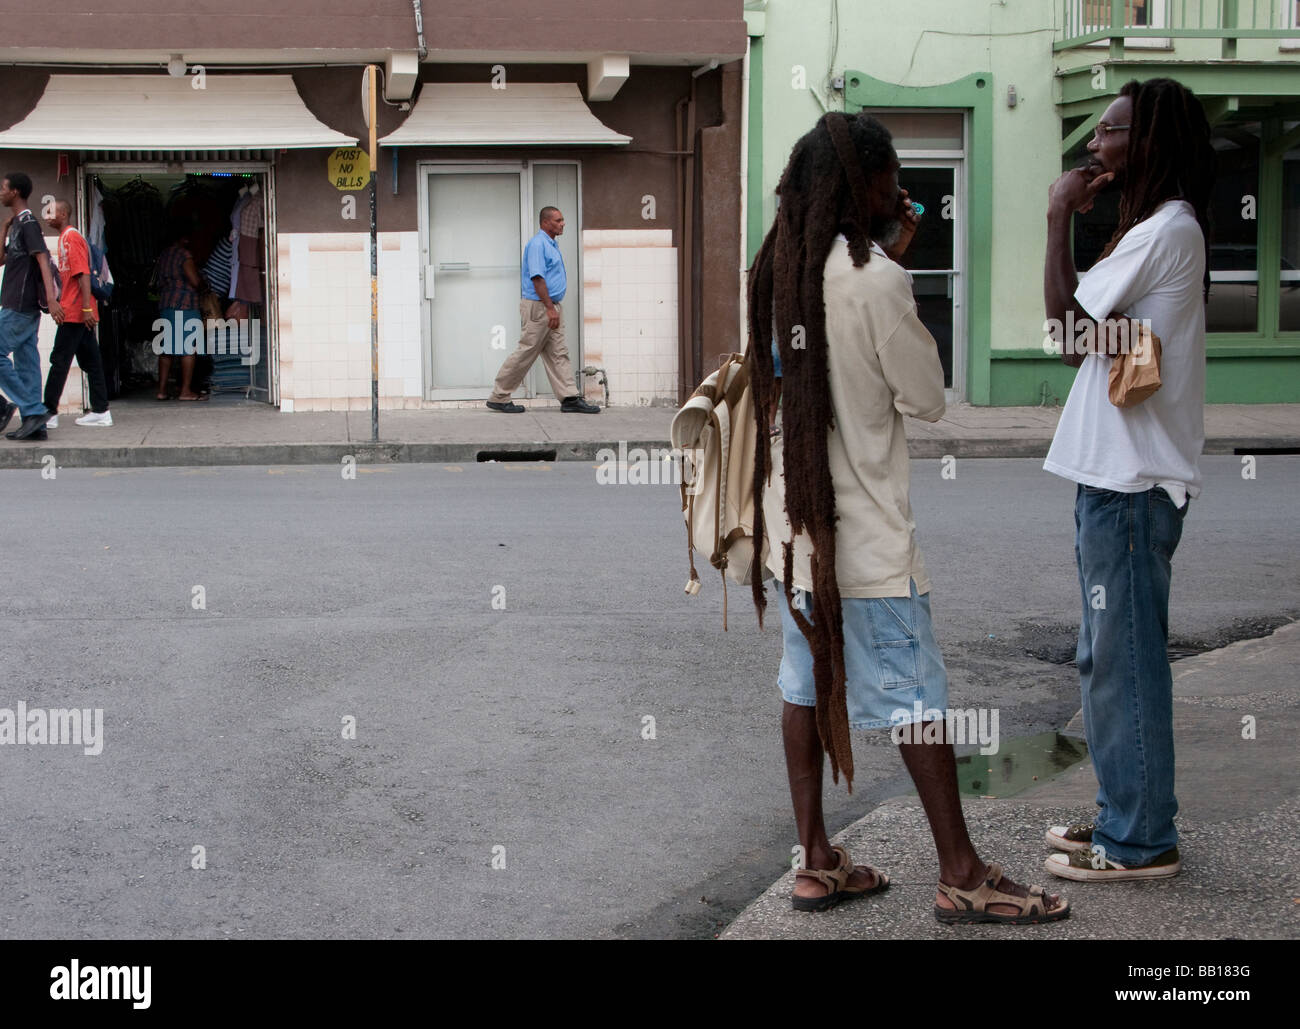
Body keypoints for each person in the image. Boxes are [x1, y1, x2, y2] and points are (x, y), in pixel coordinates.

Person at [748, 112, 1069, 924]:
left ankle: (815, 860)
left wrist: (887, 259)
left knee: (803, 685)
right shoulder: (877, 281)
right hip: (868, 544)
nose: (905, 191)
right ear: (866, 184)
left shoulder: (782, 268)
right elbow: (925, 397)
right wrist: (897, 272)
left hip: (799, 537)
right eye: (894, 176)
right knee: (918, 699)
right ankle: (963, 873)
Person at [1041, 78, 1213, 882]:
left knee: (1125, 659)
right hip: (1118, 480)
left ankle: (1140, 841)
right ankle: (1124, 814)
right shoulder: (1153, 230)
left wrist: (1055, 218)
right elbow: (1090, 337)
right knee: (1103, 656)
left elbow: (1063, 329)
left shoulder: (1165, 230)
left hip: (1132, 484)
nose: (1094, 148)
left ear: (1144, 144)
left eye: (1108, 133)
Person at [486, 207, 599, 414]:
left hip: (550, 307)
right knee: (526, 351)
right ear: (546, 223)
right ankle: (499, 396)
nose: (563, 223)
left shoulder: (551, 244)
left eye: (563, 219)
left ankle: (569, 397)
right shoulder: (538, 244)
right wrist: (549, 308)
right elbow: (537, 278)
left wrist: (553, 307)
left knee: (558, 352)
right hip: (540, 308)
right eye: (559, 220)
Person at [0, 171, 62, 441]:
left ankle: (33, 410)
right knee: (27, 362)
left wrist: (51, 299)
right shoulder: (16, 225)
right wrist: (3, 228)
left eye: (3, 187)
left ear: (15, 192)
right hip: (17, 304)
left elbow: (42, 260)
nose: (0, 192)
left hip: (20, 304)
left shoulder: (28, 223)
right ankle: (35, 425)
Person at [41, 200, 112, 427]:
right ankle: (101, 411)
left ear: (63, 214)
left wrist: (86, 308)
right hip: (78, 310)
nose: (47, 216)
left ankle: (49, 412)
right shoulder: (66, 238)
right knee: (91, 362)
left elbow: (82, 274)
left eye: (51, 212)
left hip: (75, 312)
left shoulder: (71, 238)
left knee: (59, 361)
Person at [154, 228, 206, 401]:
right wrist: (204, 285)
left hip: (166, 304)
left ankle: (161, 391)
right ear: (184, 239)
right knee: (189, 348)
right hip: (185, 305)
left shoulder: (164, 255)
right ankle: (185, 391)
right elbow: (194, 280)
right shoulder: (184, 255)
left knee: (166, 349)